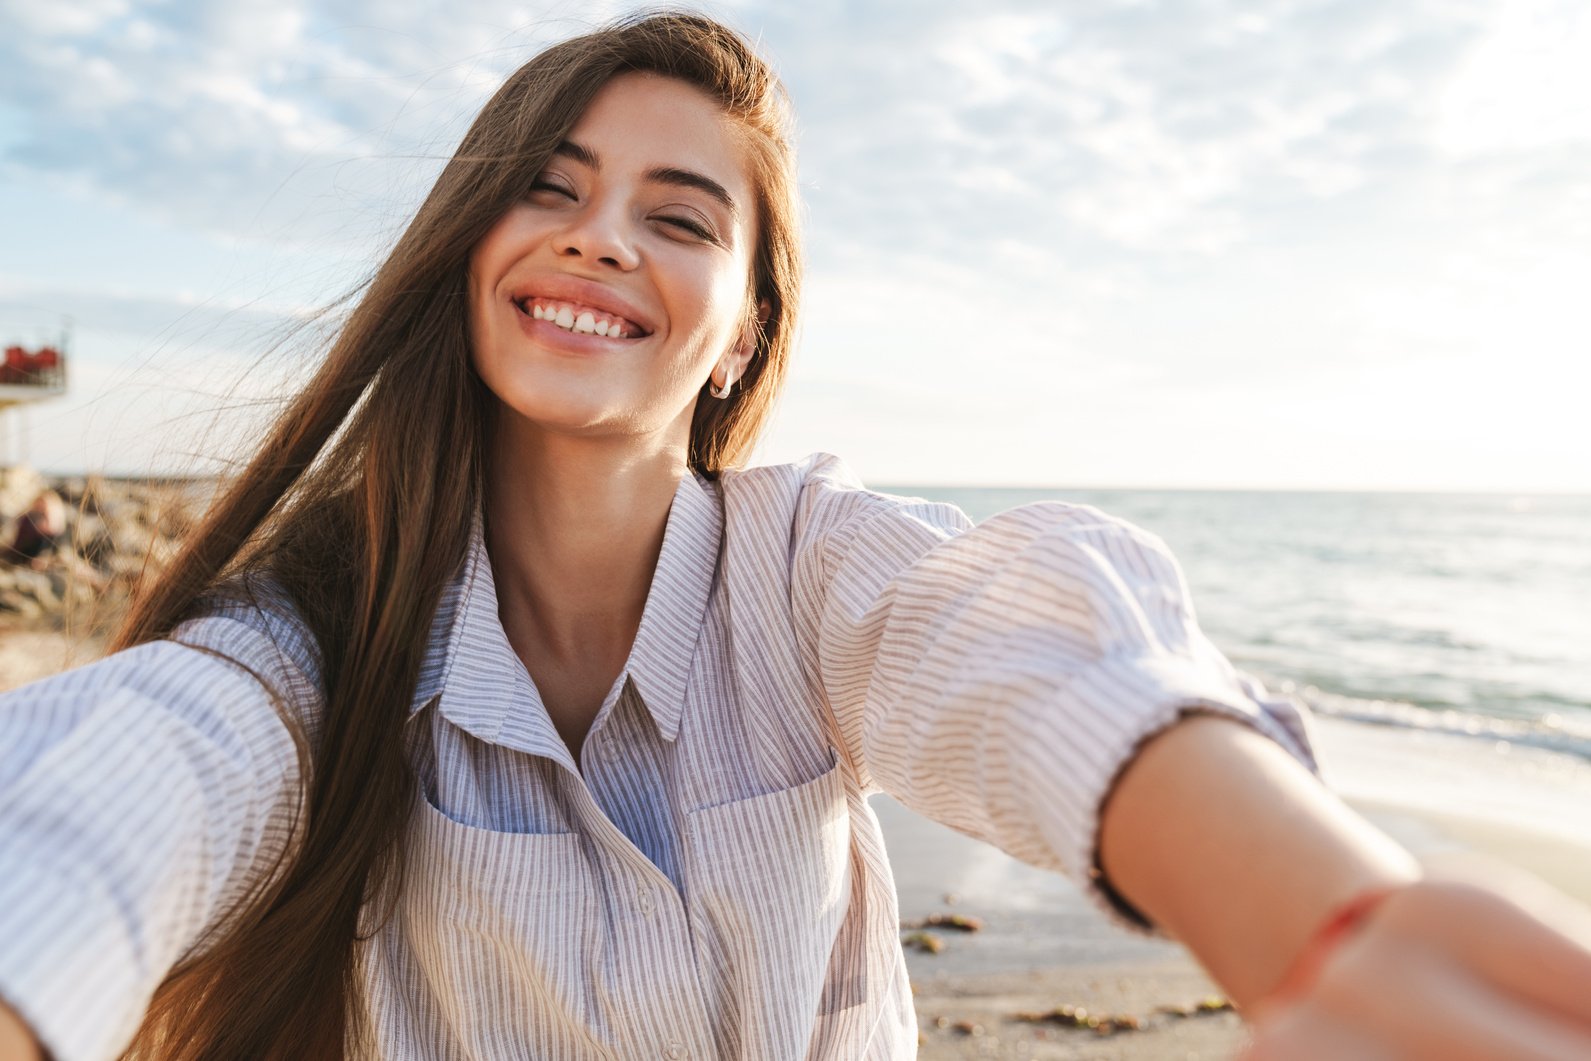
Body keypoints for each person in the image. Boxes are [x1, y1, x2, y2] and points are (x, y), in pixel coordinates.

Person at [1, 12, 1589, 1061]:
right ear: (472, 244)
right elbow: (128, 780)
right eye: (551, 187)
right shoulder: (320, 635)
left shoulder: (808, 567)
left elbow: (1012, 645)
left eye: (682, 216)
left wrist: (1329, 917)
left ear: (747, 330)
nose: (602, 234)